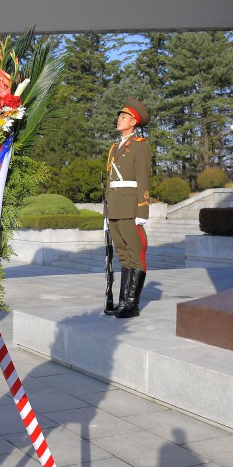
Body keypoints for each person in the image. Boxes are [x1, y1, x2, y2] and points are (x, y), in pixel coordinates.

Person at [104, 98, 151, 319]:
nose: (119, 119)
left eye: (123, 117)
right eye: (119, 116)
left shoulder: (140, 145)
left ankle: (132, 303)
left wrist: (142, 210)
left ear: (133, 121)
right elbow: (110, 180)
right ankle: (123, 302)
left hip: (131, 206)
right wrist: (107, 211)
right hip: (115, 206)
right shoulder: (115, 148)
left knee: (136, 253)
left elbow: (143, 178)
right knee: (123, 254)